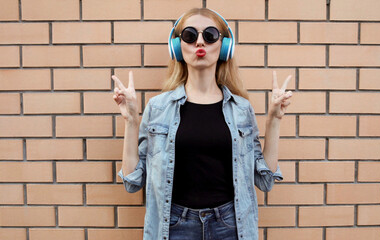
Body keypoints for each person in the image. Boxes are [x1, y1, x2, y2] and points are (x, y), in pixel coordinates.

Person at [112, 7, 293, 240]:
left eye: (209, 35)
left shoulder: (241, 109)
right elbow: (132, 182)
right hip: (174, 226)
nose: (200, 42)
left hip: (230, 225)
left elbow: (265, 180)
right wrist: (130, 121)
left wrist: (274, 121)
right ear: (177, 47)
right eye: (189, 35)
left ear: (224, 46)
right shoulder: (158, 108)